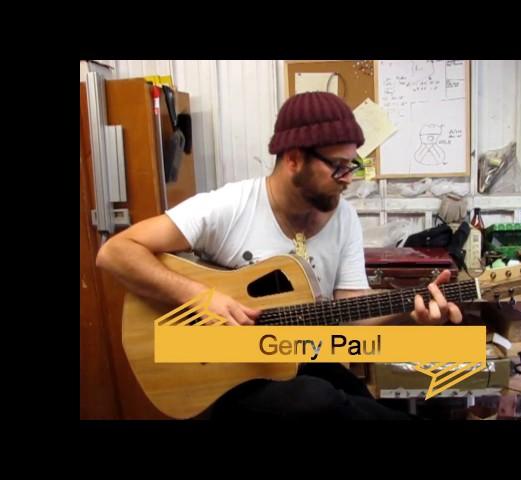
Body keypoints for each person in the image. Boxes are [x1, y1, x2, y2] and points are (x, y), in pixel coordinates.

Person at [96, 91, 462, 420]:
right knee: (320, 400)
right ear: (293, 159)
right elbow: (115, 252)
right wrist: (200, 297)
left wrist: (409, 313)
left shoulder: (344, 217)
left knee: (356, 399)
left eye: (354, 165)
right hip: (225, 375)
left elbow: (350, 317)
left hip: (297, 360)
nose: (348, 178)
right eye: (338, 165)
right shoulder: (230, 206)